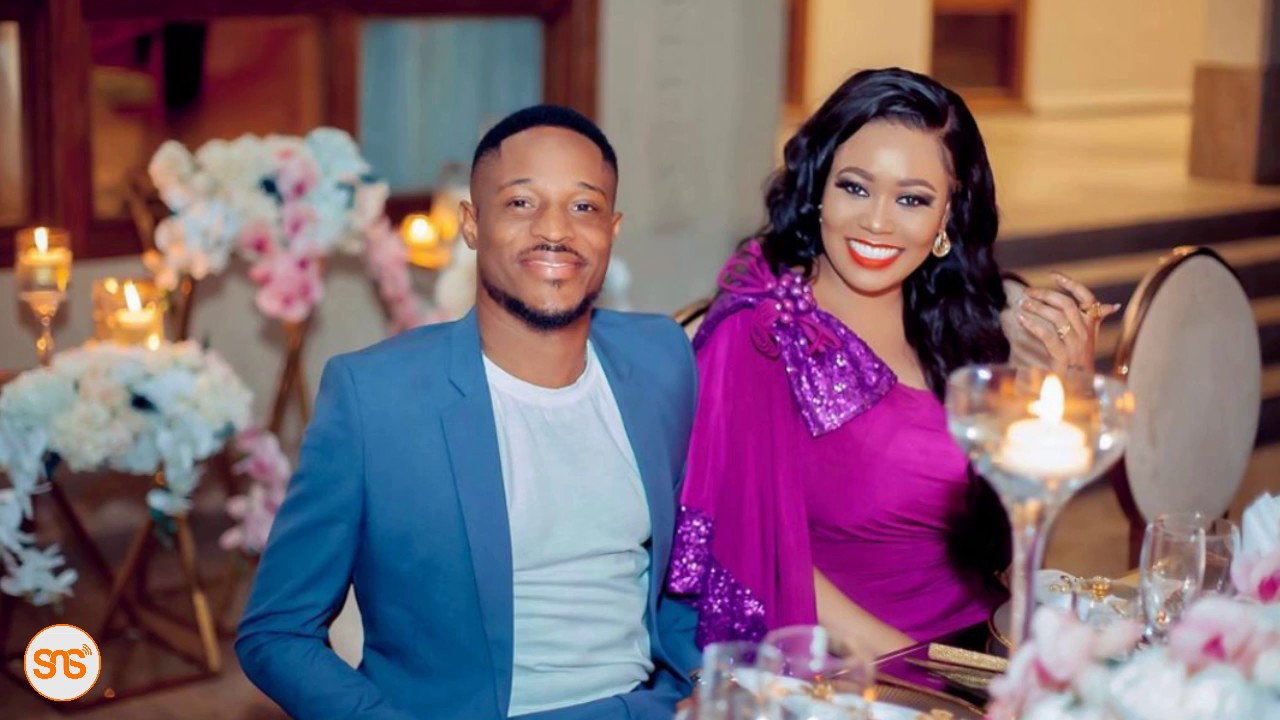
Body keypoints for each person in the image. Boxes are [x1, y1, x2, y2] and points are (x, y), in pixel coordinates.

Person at [238, 105, 699, 719]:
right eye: (521, 202)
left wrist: (699, 682)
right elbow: (276, 632)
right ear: (472, 223)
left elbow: (693, 562)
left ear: (612, 229)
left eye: (584, 206)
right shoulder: (375, 396)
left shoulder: (662, 357)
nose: (555, 229)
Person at [668, 68, 1118, 656]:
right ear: (818, 189)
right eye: (855, 188)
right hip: (859, 671)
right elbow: (758, 560)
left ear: (947, 216)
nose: (877, 221)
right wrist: (935, 677)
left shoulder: (964, 326)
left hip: (986, 642)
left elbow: (1010, 549)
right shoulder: (762, 333)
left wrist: (1065, 392)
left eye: (912, 199)